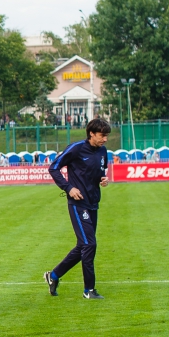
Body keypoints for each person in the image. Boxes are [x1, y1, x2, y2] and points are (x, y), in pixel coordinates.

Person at [45, 118, 111, 299]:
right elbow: (54, 168)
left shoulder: (103, 151)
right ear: (91, 133)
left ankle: (53, 275)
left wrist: (103, 180)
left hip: (93, 202)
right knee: (90, 244)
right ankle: (89, 290)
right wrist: (69, 188)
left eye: (106, 136)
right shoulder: (76, 148)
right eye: (102, 135)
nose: (105, 139)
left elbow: (100, 173)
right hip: (77, 203)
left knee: (83, 245)